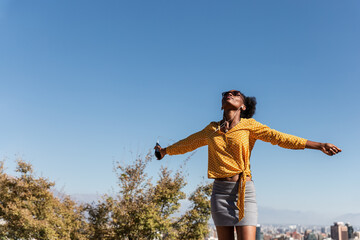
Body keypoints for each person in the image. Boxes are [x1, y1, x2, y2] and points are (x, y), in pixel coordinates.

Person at [154, 90, 341, 240]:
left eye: (236, 94)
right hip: (219, 192)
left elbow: (280, 138)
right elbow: (188, 143)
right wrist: (165, 151)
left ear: (243, 105)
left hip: (244, 191)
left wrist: (319, 145)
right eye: (226, 94)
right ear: (221, 105)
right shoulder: (211, 129)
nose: (229, 94)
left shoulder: (249, 126)